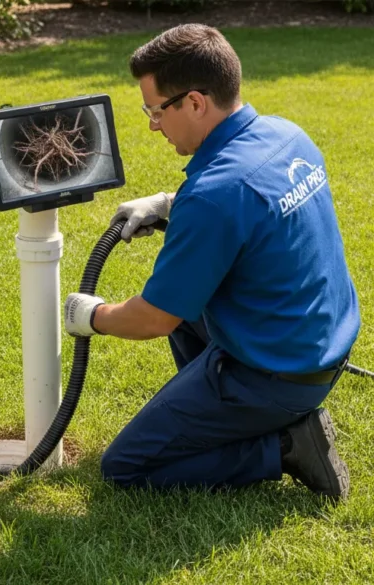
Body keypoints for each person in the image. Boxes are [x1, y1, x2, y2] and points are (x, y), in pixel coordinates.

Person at [62, 24, 359, 500]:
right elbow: (248, 202)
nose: (152, 124)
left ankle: (284, 445)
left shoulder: (216, 196)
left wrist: (91, 317)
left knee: (125, 466)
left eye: (156, 111)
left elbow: (155, 318)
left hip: (279, 373)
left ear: (195, 103)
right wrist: (166, 202)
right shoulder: (286, 135)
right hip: (319, 343)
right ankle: (219, 413)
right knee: (187, 298)